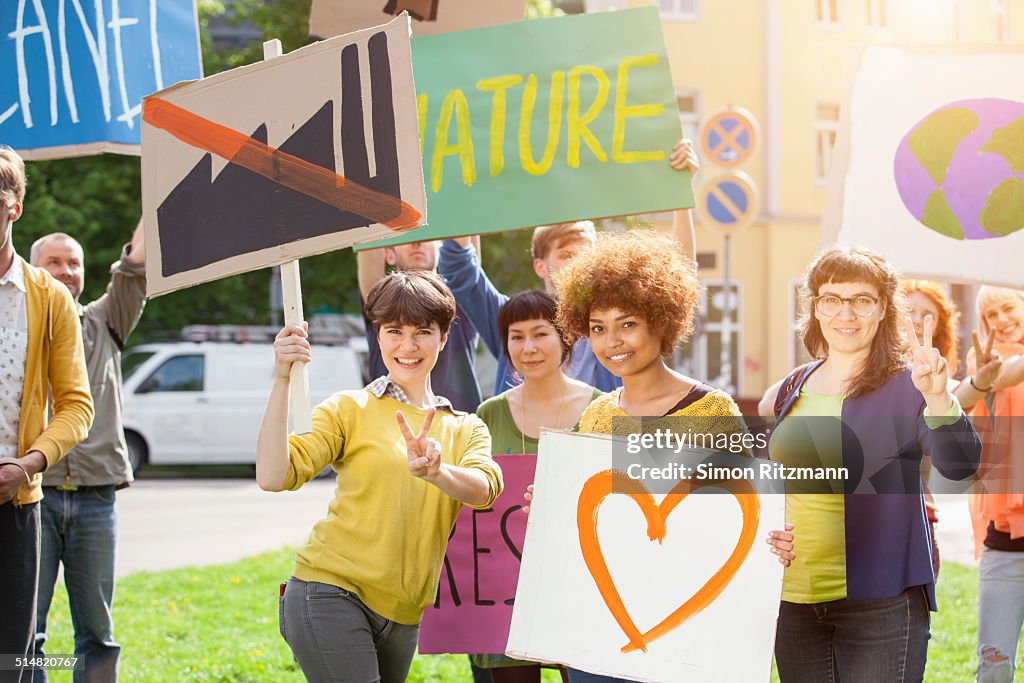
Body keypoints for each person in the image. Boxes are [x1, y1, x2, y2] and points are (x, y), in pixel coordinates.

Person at [546, 229, 795, 683]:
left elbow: (745, 514)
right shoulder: (597, 415)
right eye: (598, 328)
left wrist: (776, 542)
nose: (612, 341)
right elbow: (586, 523)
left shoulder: (713, 412)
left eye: (627, 323)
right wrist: (549, 506)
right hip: (602, 635)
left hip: (685, 638)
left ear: (661, 321)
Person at [256, 269, 503, 683]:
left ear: (443, 339)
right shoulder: (349, 408)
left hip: (403, 614)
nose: (408, 346)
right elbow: (273, 475)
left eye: (423, 332)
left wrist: (439, 472)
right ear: (378, 337)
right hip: (330, 590)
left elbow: (485, 490)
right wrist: (282, 378)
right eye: (394, 331)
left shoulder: (465, 427)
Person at [768, 247, 980, 683]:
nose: (845, 312)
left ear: (883, 308)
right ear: (816, 307)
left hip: (880, 601)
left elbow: (960, 468)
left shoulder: (910, 385)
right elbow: (776, 486)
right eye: (832, 299)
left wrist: (939, 398)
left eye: (861, 299)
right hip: (794, 600)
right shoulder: (794, 384)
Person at [439, 140, 700, 396]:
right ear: (540, 266)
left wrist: (680, 191)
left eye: (587, 254)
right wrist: (464, 191)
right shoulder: (513, 320)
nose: (580, 263)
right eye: (567, 255)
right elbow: (461, 269)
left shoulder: (615, 320)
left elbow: (678, 275)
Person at [31, 222, 147, 682]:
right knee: (24, 632)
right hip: (32, 497)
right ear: (32, 269)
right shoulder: (14, 324)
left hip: (97, 498)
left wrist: (157, 164)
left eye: (73, 263)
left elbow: (135, 266)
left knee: (97, 635)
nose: (66, 271)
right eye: (53, 262)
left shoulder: (104, 321)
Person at [0, 146, 94, 683]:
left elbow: (76, 405)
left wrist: (28, 464)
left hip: (14, 504)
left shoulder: (48, 299)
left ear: (14, 208)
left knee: (12, 658)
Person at [472, 290, 599, 683]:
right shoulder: (488, 414)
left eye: (540, 333)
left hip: (583, 590)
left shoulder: (602, 409)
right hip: (506, 592)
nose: (528, 347)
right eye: (516, 336)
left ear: (565, 338)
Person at [959, 286, 1024, 683]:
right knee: (994, 668)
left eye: (1007, 309)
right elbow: (1005, 372)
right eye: (990, 315)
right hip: (1005, 542)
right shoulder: (983, 359)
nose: (1000, 321)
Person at [357, 239, 482, 412]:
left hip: (454, 430)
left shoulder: (463, 298)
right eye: (396, 330)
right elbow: (369, 237)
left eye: (427, 236)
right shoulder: (382, 301)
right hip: (388, 426)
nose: (417, 243)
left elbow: (467, 247)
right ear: (389, 254)